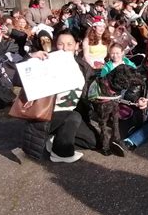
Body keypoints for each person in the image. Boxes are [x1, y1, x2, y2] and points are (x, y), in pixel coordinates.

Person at [24, 30, 97, 162]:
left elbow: (93, 85)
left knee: (92, 142)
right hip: (47, 114)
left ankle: (55, 139)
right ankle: (61, 153)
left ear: (77, 45)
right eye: (60, 44)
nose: (65, 48)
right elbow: (19, 77)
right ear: (54, 45)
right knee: (74, 116)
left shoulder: (82, 65)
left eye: (69, 44)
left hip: (69, 115)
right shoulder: (46, 61)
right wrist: (31, 57)